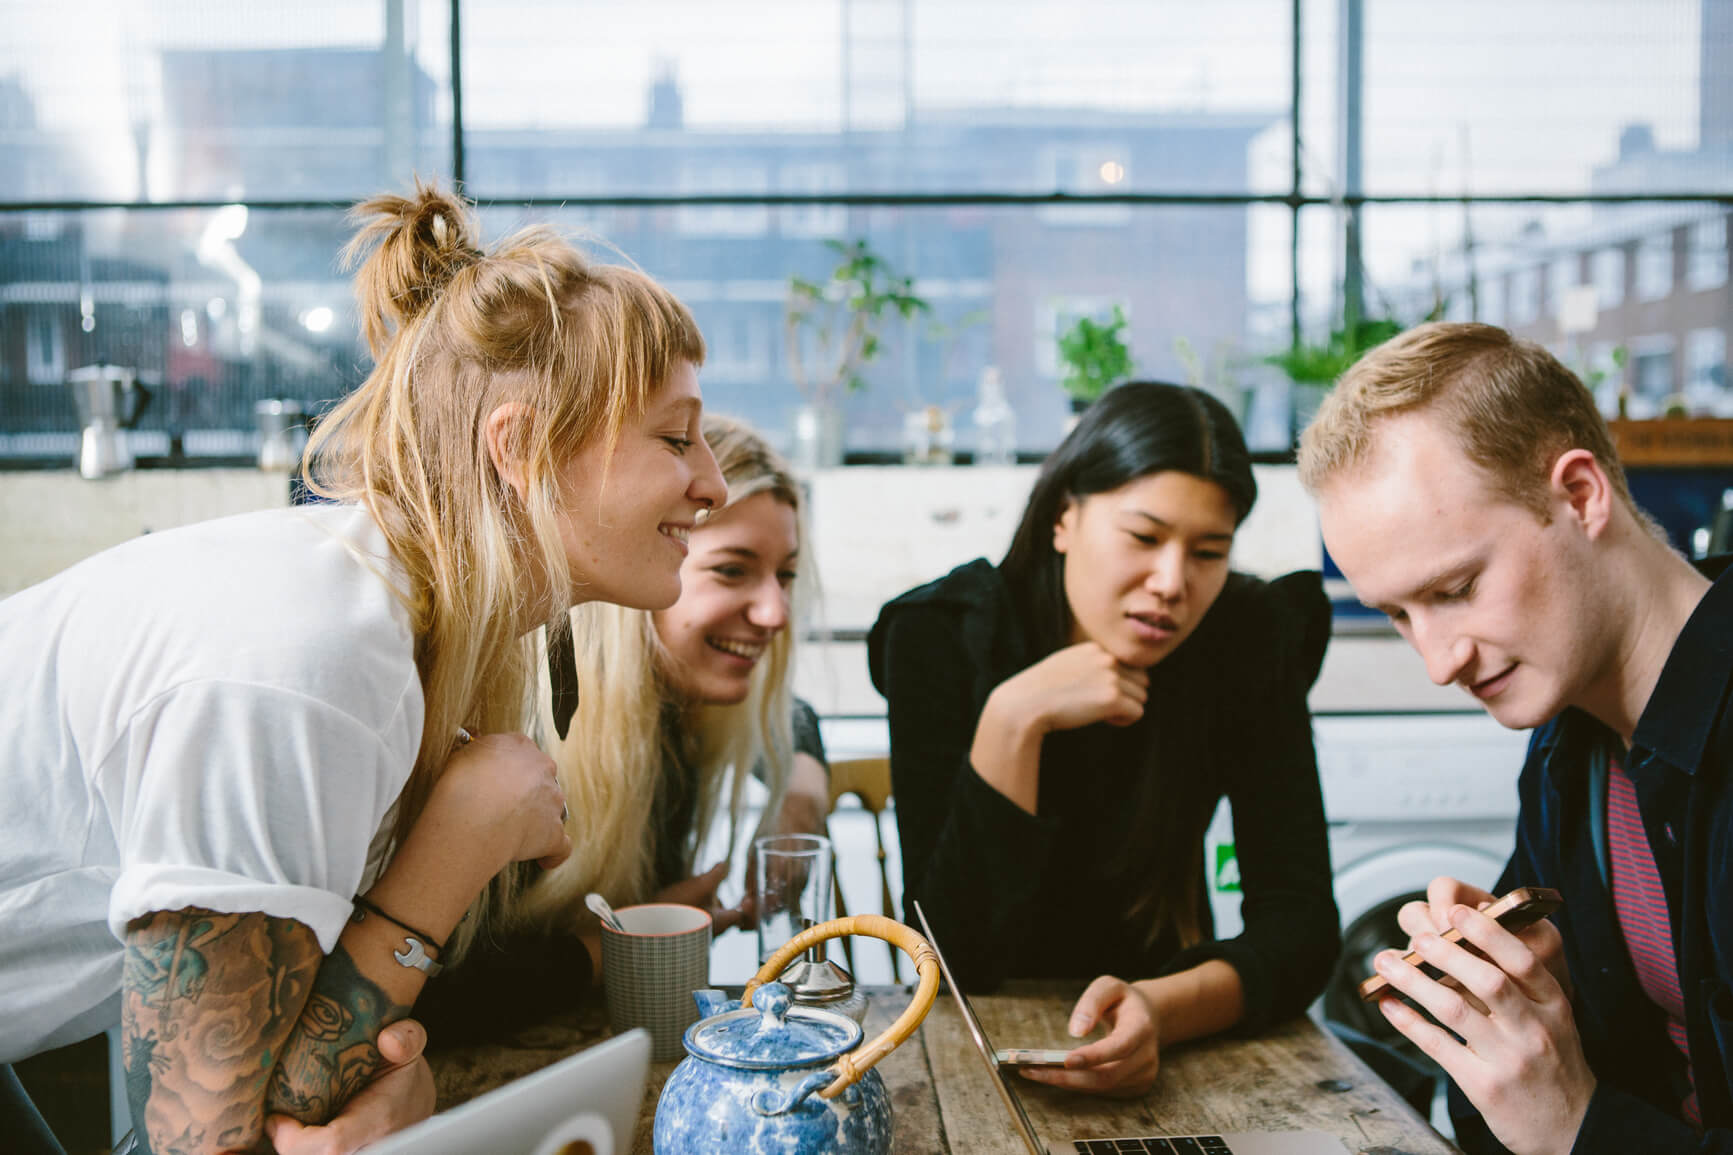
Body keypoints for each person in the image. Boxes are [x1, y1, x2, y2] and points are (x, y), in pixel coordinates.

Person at [0, 183, 728, 1155]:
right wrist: (457, 845)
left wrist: (380, 1093)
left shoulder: (388, 633)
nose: (711, 483)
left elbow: (286, 1090)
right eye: (675, 438)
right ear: (516, 447)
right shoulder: (307, 668)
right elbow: (189, 1144)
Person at [1298, 320, 1733, 1154]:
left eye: (1456, 587)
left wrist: (1576, 1122)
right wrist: (1519, 1005)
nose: (1438, 659)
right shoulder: (1568, 744)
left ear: (1579, 495)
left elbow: (1555, 1129)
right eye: (1398, 614)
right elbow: (1506, 1128)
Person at [868, 380, 1340, 1097]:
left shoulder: (1246, 635)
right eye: (1143, 537)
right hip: (970, 1055)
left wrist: (1159, 1009)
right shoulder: (941, 636)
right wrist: (1012, 716)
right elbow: (954, 960)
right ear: (1064, 517)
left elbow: (1300, 926)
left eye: (1208, 550)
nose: (1171, 582)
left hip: (1180, 1043)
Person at [412, 415, 831, 1040]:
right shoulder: (528, 741)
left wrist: (799, 794)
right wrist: (622, 946)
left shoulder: (682, 705)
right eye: (732, 570)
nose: (775, 612)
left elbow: (794, 719)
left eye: (786, 576)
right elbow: (435, 996)